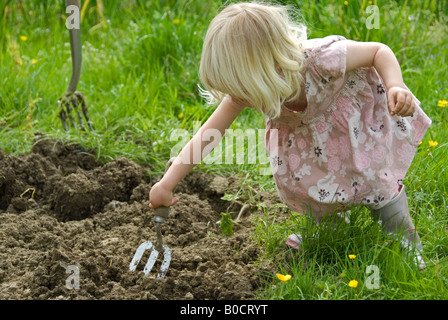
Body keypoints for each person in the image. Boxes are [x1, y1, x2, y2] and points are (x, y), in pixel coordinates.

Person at [149, 2, 431, 269]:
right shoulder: (246, 89)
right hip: (310, 145)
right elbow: (208, 135)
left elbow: (378, 51)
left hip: (354, 129)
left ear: (268, 69)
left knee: (374, 176)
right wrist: (166, 183)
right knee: (308, 182)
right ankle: (331, 232)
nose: (237, 97)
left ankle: (404, 240)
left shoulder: (322, 58)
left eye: (240, 88)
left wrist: (396, 85)